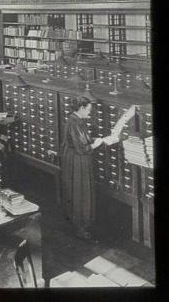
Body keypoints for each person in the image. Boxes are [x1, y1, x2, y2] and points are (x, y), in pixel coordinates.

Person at [61, 96, 105, 244]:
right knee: (80, 191)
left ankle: (79, 225)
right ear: (81, 108)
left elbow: (79, 140)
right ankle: (80, 229)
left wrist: (92, 140)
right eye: (88, 109)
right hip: (77, 160)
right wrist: (95, 144)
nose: (89, 112)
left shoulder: (75, 120)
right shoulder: (74, 122)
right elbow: (81, 148)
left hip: (74, 158)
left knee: (77, 191)